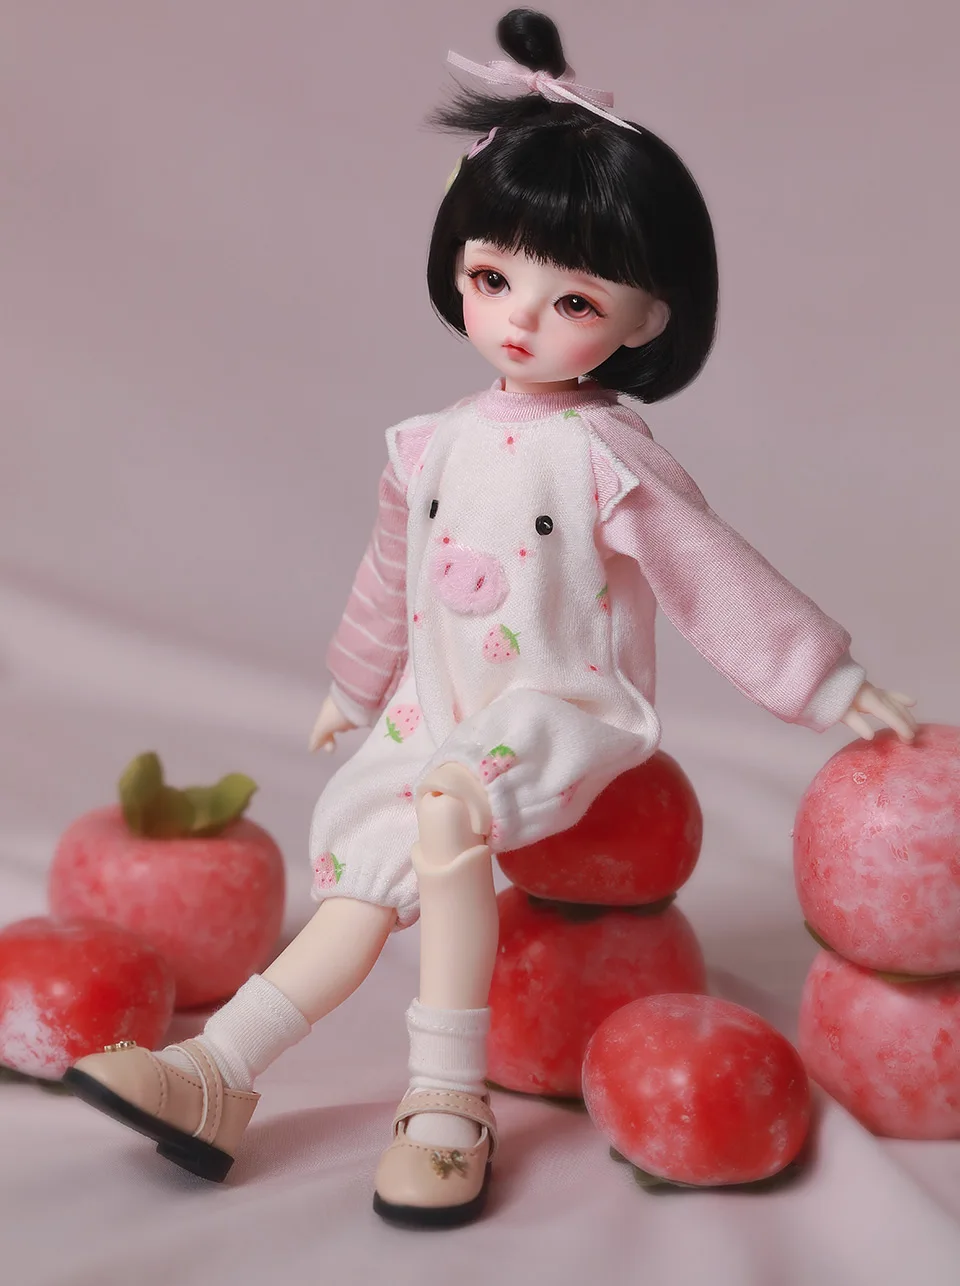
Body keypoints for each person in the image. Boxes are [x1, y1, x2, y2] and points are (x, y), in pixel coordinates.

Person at [63, 8, 917, 1228]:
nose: (520, 318)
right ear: (456, 264)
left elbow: (710, 570)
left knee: (449, 806)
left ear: (648, 317)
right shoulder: (428, 444)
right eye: (492, 278)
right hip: (438, 709)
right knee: (361, 880)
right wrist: (354, 684)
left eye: (574, 299)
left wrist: (824, 679)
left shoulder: (605, 451)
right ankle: (215, 1070)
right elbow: (386, 575)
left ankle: (446, 1100)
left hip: (561, 706)